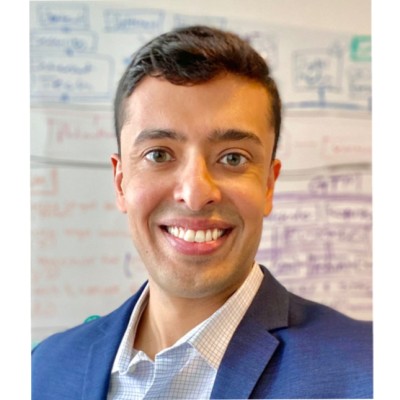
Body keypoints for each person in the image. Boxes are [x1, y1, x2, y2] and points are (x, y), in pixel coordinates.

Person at [32, 25, 373, 399]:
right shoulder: (43, 369)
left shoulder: (371, 369)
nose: (195, 195)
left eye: (233, 158)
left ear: (268, 186)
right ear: (120, 181)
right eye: (159, 154)